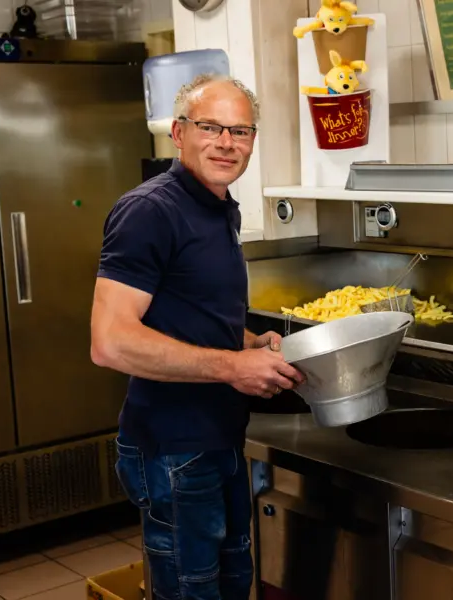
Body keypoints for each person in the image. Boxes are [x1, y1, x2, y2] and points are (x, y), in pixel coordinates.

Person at [90, 74, 303, 600]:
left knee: (230, 583)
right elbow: (110, 341)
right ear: (179, 133)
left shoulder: (215, 205)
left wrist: (246, 343)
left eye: (240, 131)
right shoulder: (151, 210)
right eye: (210, 127)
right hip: (173, 447)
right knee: (192, 592)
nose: (226, 143)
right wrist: (232, 366)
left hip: (217, 436)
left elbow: (185, 310)